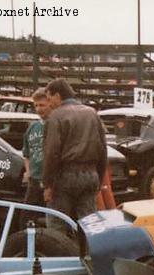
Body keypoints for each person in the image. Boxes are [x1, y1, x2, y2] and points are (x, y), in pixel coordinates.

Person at [42, 78, 107, 233]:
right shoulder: (92, 113)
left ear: (57, 95)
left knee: (57, 225)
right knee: (90, 224)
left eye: (49, 99)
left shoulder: (56, 117)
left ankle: (59, 256)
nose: (49, 104)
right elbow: (103, 149)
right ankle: (92, 254)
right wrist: (99, 176)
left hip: (65, 176)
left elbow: (52, 153)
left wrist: (47, 184)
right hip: (90, 175)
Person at [20, 88, 50, 228]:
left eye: (42, 105)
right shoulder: (33, 127)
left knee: (51, 219)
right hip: (34, 180)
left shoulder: (56, 125)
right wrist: (28, 171)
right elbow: (26, 153)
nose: (38, 109)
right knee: (26, 217)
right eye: (36, 105)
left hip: (50, 181)